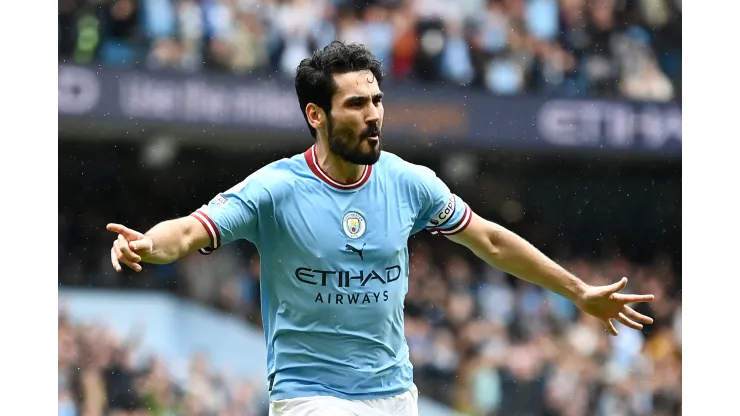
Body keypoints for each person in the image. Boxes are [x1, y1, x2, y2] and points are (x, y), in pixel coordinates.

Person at [107, 41, 655, 416]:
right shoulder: (275, 190)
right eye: (355, 104)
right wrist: (146, 244)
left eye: (377, 100)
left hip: (393, 394)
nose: (373, 114)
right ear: (316, 116)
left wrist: (579, 291)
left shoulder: (410, 183)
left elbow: (489, 239)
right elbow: (189, 231)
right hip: (309, 395)